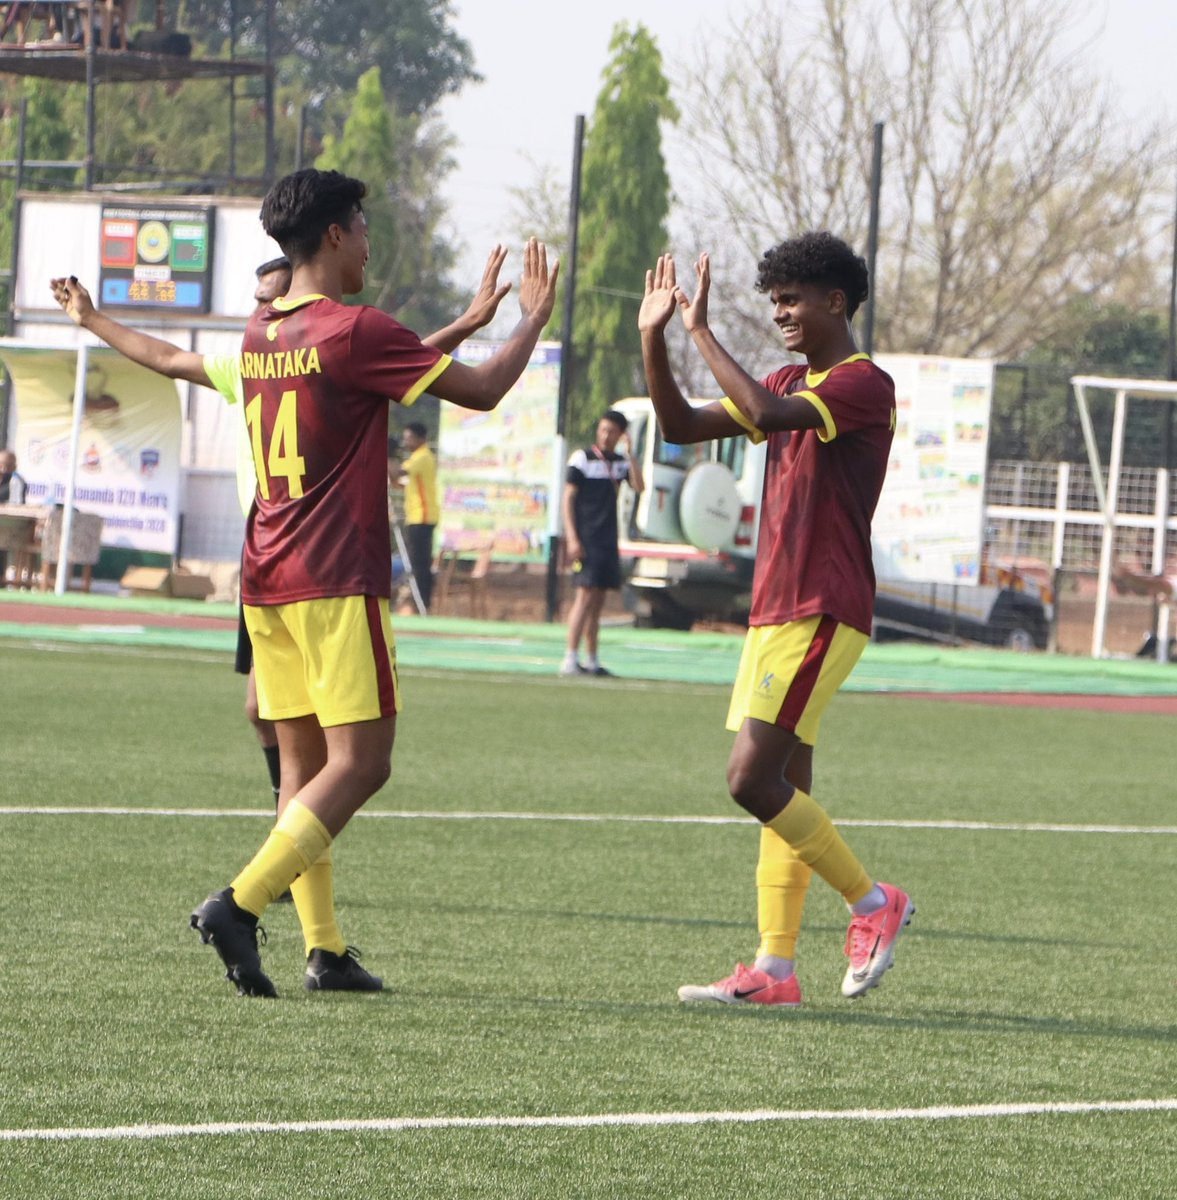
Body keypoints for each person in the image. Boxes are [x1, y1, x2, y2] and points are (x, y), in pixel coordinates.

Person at [187, 167, 558, 998]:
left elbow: (372, 372)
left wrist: (464, 320)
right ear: (331, 236)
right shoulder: (353, 328)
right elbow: (488, 392)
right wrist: (532, 318)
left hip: (268, 582)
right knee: (363, 763)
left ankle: (323, 951)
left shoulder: (261, 335)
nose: (366, 239)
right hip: (334, 577)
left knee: (302, 771)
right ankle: (239, 905)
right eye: (359, 223)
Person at [638, 232, 914, 1006]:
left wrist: (698, 329)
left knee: (748, 778)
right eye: (773, 302)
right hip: (776, 607)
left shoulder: (862, 383)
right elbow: (680, 426)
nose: (780, 314)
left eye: (791, 299)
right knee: (786, 784)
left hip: (822, 604)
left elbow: (766, 411)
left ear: (835, 301)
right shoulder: (792, 374)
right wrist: (652, 338)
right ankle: (776, 970)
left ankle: (872, 902)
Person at [560, 409, 644, 676]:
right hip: (586, 539)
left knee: (598, 603)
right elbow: (567, 499)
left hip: (608, 539)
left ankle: (592, 659)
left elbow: (640, 487)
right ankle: (570, 658)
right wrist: (573, 538)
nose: (606, 436)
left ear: (621, 435)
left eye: (612, 431)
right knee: (584, 598)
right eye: (603, 430)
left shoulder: (620, 462)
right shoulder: (582, 459)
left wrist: (631, 454)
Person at [394, 421, 439, 611]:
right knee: (416, 561)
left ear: (420, 438)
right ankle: (419, 601)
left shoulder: (421, 457)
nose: (406, 442)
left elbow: (398, 472)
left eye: (409, 438)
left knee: (419, 563)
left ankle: (423, 602)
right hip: (416, 517)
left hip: (422, 516)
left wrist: (389, 456)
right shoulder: (418, 457)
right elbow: (399, 481)